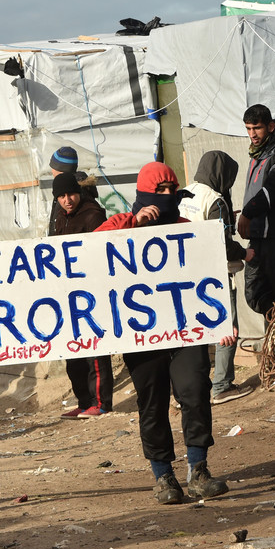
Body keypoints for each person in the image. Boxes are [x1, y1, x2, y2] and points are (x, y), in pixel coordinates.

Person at [95, 161, 235, 505]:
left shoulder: (188, 228)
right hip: (142, 334)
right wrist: (135, 225)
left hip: (185, 331)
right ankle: (163, 475)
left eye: (174, 190)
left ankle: (198, 470)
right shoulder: (118, 224)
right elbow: (91, 253)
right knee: (152, 402)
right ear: (143, 194)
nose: (170, 196)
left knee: (195, 391)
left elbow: (210, 271)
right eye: (161, 191)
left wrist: (223, 319)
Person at [180, 151, 254, 404]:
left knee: (195, 330)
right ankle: (222, 384)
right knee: (226, 326)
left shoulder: (184, 193)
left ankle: (191, 388)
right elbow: (221, 242)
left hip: (186, 275)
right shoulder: (216, 201)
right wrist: (245, 253)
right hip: (215, 277)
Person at [49, 171, 113, 419]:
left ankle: (101, 402)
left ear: (78, 192)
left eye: (71, 194)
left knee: (95, 351)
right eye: (61, 196)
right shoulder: (61, 217)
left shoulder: (92, 214)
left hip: (91, 293)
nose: (67, 200)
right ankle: (84, 401)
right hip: (67, 294)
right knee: (73, 354)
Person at [236, 104, 275, 318]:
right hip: (258, 236)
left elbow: (274, 188)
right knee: (255, 295)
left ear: (270, 126)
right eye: (248, 129)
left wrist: (248, 212)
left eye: (257, 128)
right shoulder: (258, 151)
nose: (252, 134)